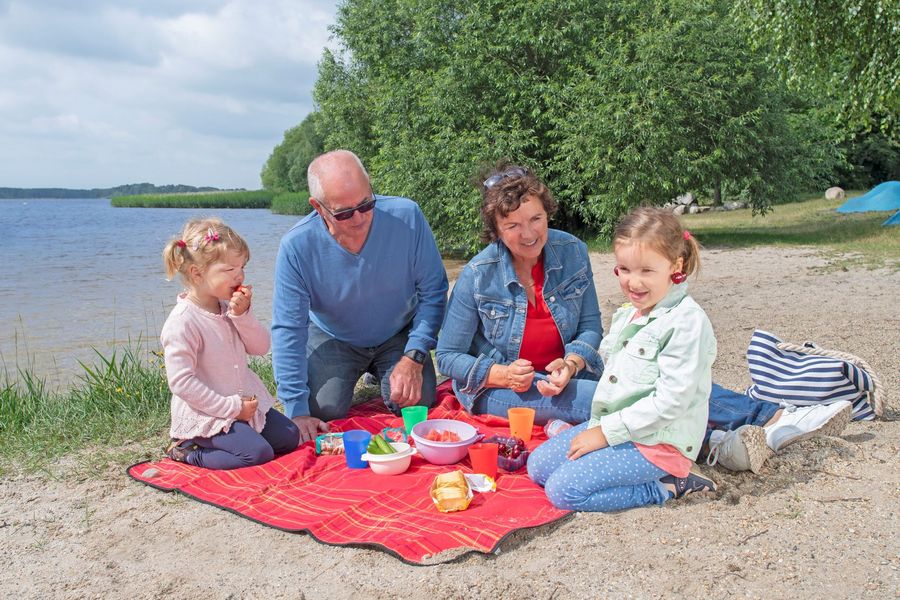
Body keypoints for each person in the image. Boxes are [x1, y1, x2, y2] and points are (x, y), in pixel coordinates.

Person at [527, 207, 717, 511]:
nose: (633, 282)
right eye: (624, 270)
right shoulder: (630, 313)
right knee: (538, 467)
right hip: (615, 426)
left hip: (658, 443)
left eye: (646, 271)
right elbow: (612, 369)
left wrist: (604, 434)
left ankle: (667, 486)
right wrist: (571, 366)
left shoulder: (686, 322)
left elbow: (670, 403)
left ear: (675, 265)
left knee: (563, 492)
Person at [271, 150, 448, 443]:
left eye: (366, 204)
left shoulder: (408, 216)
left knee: (417, 402)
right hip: (333, 336)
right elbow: (288, 329)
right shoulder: (295, 246)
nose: (359, 218)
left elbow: (434, 291)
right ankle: (365, 371)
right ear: (318, 207)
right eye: (344, 212)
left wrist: (415, 355)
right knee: (322, 408)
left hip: (397, 333)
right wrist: (296, 408)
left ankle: (383, 369)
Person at [435, 165, 603, 425]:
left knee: (626, 393)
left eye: (536, 219)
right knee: (603, 402)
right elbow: (447, 356)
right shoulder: (477, 275)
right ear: (496, 231)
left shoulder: (574, 251)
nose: (528, 234)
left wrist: (571, 364)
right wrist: (504, 375)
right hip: (500, 388)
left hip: (569, 379)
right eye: (513, 225)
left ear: (547, 213)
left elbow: (590, 326)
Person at [160, 218, 299, 469]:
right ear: (197, 273)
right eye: (229, 270)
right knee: (257, 454)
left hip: (240, 407)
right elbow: (181, 382)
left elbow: (261, 347)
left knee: (290, 436)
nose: (240, 276)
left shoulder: (228, 309)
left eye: (242, 267)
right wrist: (232, 408)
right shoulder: (183, 322)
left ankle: (239, 434)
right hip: (207, 411)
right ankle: (187, 450)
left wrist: (242, 316)